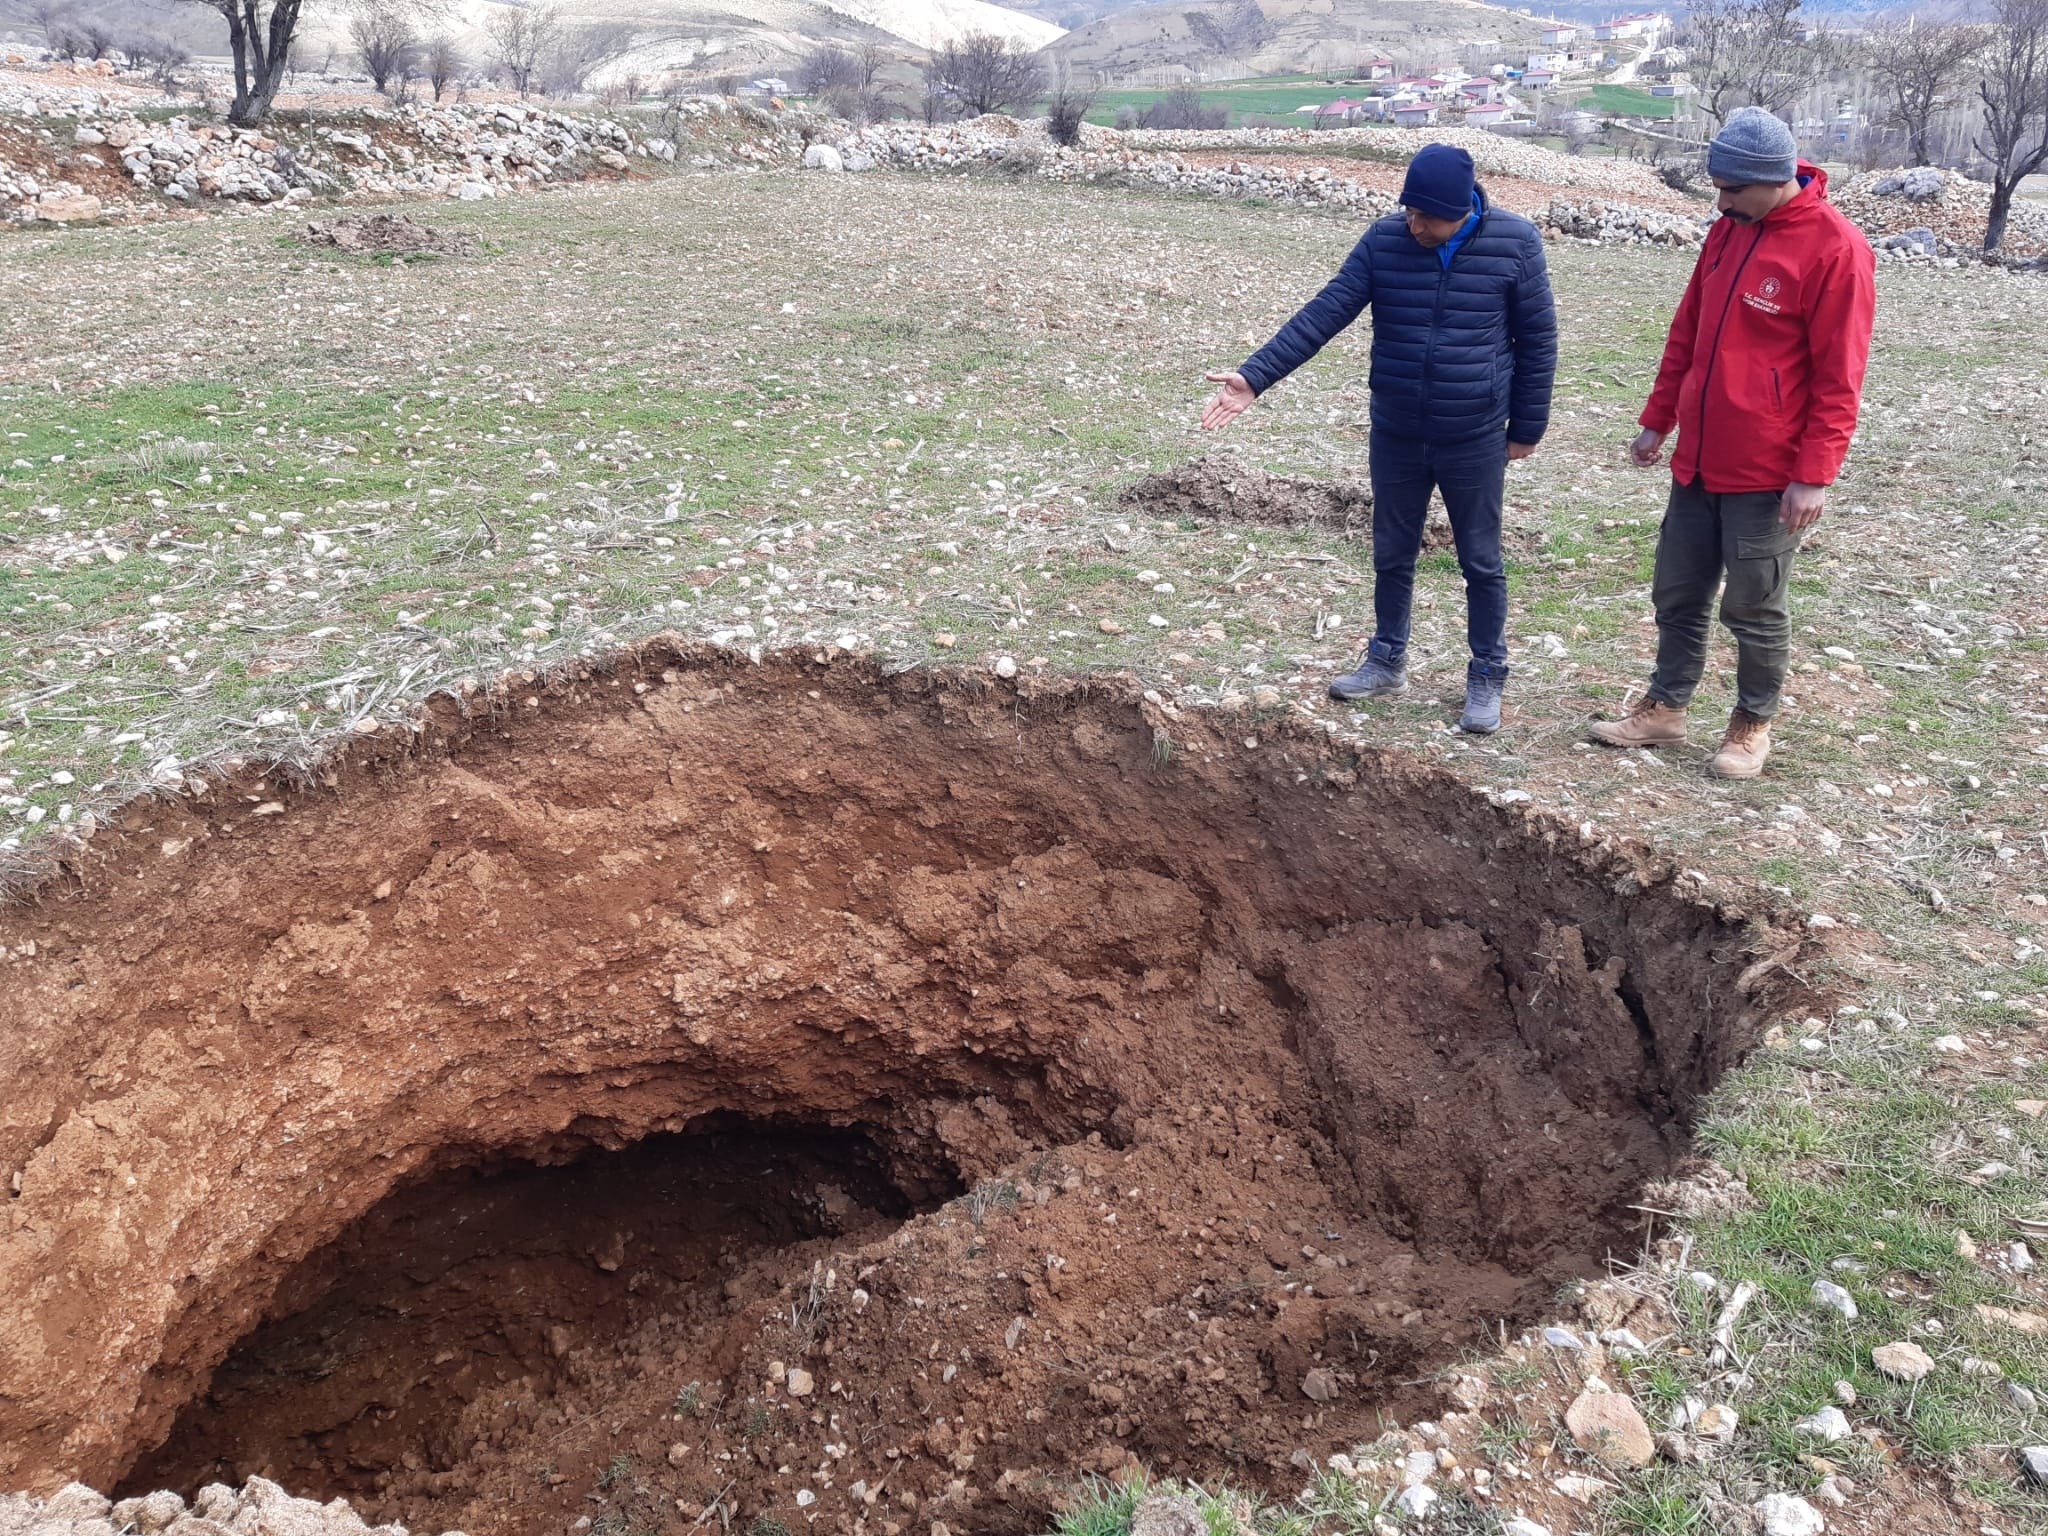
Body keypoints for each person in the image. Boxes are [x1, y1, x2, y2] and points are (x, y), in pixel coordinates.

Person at [1200, 143, 1557, 735]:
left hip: (1473, 433)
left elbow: (1538, 340)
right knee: (1392, 552)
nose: (1414, 224)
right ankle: (1387, 658)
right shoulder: (1386, 241)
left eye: (1427, 217)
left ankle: (1488, 671)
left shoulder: (1514, 243)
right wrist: (1254, 377)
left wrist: (1528, 427)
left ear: (1462, 210)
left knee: (1481, 559)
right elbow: (1325, 312)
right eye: (1408, 211)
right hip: (1398, 430)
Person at [1589, 106, 1876, 778]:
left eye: (1731, 189)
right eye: (1715, 189)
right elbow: (1687, 331)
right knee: (1677, 593)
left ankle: (1751, 724)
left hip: (1766, 474)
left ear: (1773, 180)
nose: (1719, 202)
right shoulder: (1726, 231)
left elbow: (1841, 378)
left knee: (1753, 606)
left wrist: (1815, 474)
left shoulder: (1836, 250)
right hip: (1697, 463)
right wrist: (1658, 419)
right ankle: (1665, 708)